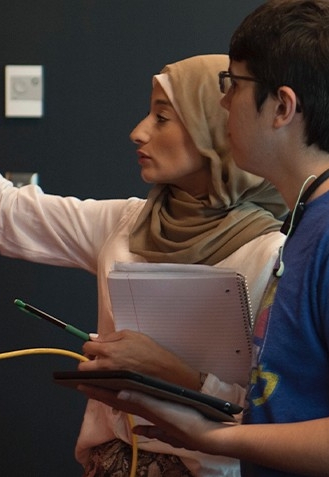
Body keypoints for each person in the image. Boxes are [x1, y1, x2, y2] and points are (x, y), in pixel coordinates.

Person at [0, 47, 287, 475]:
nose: (139, 131)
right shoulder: (128, 223)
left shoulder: (271, 254)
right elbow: (1, 207)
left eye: (162, 118)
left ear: (216, 132)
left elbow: (276, 409)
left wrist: (171, 372)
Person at [78, 1, 329, 476]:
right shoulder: (305, 222)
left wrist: (215, 436)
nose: (222, 102)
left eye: (233, 84)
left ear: (282, 107)